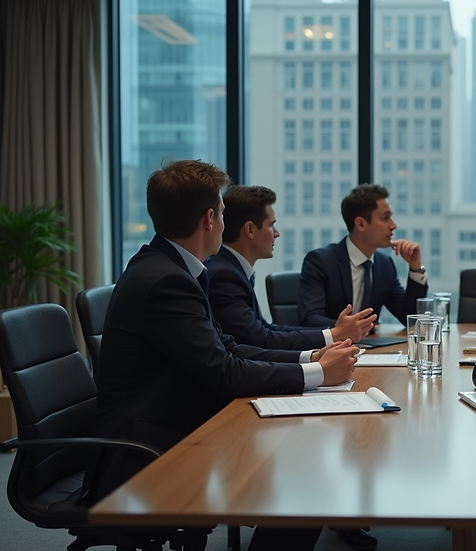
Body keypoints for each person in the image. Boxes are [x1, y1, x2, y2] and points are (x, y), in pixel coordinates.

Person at [84, 160, 361, 551]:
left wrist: (311, 358)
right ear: (210, 218)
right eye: (224, 212)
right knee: (307, 476)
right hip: (147, 452)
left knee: (305, 458)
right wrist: (318, 373)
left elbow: (226, 347)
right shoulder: (166, 280)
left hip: (172, 424)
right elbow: (224, 372)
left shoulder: (173, 268)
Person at [205, 184, 376, 348]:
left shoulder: (232, 268)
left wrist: (333, 333)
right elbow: (259, 339)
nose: (277, 233)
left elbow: (265, 329)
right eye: (271, 225)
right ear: (250, 229)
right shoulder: (225, 275)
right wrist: (334, 335)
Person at [299, 183, 427, 327]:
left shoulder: (385, 265)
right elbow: (310, 319)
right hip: (329, 348)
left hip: (370, 347)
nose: (393, 225)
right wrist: (349, 329)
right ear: (360, 224)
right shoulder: (321, 261)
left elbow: (409, 318)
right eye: (385, 218)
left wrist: (415, 268)